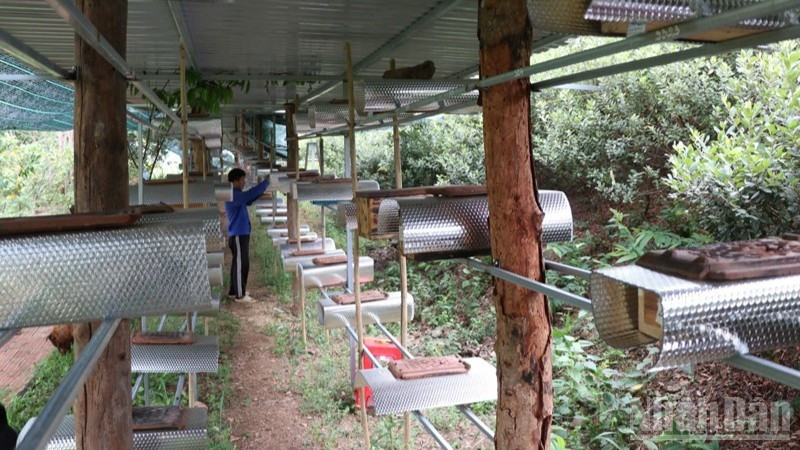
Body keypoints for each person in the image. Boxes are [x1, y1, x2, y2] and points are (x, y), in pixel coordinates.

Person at [225, 168, 269, 303]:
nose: (244, 182)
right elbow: (248, 195)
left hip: (240, 233)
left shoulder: (236, 194)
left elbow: (249, 199)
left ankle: (235, 290)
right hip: (238, 234)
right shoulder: (233, 195)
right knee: (241, 264)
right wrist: (267, 182)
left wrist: (260, 193)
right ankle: (240, 295)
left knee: (238, 263)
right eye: (243, 180)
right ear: (236, 181)